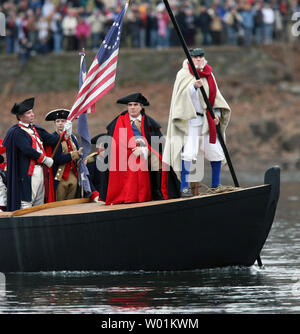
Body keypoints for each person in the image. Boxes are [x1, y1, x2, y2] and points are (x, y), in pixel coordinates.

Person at [163, 48, 231, 197]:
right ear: (190, 59)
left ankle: (215, 185)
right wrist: (193, 87)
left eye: (201, 57)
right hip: (190, 120)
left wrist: (217, 114)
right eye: (195, 58)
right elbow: (180, 98)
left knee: (216, 152)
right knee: (189, 153)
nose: (199, 60)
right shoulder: (183, 74)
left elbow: (215, 98)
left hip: (207, 120)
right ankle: (184, 186)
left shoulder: (209, 73)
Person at [104, 93, 178, 205]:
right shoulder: (119, 121)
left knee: (156, 160)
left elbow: (158, 144)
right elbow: (113, 143)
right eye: (130, 105)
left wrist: (144, 149)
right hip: (127, 154)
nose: (132, 107)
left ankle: (157, 192)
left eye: (136, 104)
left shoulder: (149, 122)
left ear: (141, 106)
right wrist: (132, 148)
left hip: (146, 152)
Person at [3, 98, 72, 211]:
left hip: (40, 170)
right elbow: (27, 150)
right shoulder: (16, 132)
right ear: (21, 116)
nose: (32, 114)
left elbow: (52, 139)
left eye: (32, 111)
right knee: (27, 202)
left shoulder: (36, 129)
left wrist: (65, 134)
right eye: (28, 113)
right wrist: (44, 159)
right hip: (26, 173)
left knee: (39, 203)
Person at [44, 108, 100, 203]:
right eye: (58, 121)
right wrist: (74, 155)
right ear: (55, 123)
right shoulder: (53, 138)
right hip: (59, 177)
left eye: (63, 121)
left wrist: (80, 160)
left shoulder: (72, 138)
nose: (60, 123)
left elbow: (78, 154)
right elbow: (56, 159)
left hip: (73, 175)